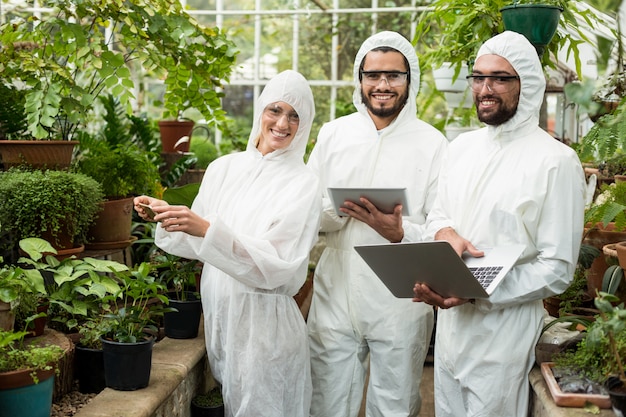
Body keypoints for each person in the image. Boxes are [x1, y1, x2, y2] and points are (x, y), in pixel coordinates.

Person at [412, 31, 586, 417]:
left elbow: (557, 268)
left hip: (504, 335)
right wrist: (444, 234)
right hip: (452, 330)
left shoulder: (555, 161)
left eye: (500, 78)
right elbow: (438, 215)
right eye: (478, 77)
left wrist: (479, 291)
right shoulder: (460, 149)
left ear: (527, 85)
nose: (485, 88)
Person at [134, 70, 321, 417]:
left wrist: (206, 228)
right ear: (260, 111)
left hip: (266, 327)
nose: (282, 123)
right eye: (275, 110)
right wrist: (166, 216)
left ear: (305, 123)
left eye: (295, 116)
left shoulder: (304, 183)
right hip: (221, 319)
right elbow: (196, 242)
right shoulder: (224, 168)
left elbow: (277, 264)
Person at [306, 31, 448, 417]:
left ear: (409, 80)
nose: (382, 85)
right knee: (327, 402)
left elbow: (442, 223)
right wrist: (338, 210)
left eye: (394, 75)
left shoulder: (433, 144)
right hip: (335, 293)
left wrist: (402, 233)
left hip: (401, 297)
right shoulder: (334, 134)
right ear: (360, 78)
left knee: (395, 405)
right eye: (373, 75)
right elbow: (304, 208)